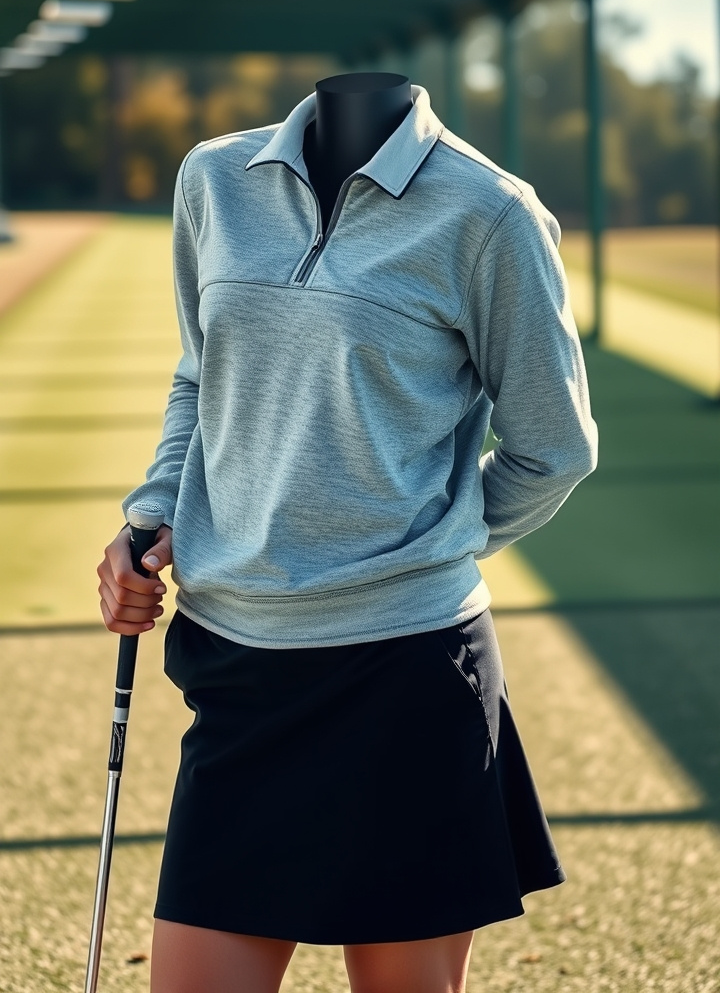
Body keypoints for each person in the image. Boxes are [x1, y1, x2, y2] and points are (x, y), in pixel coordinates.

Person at [97, 75, 598, 993]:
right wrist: (153, 513)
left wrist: (420, 544)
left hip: (406, 676)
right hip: (238, 668)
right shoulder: (213, 178)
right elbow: (200, 380)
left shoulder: (491, 214)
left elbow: (554, 449)